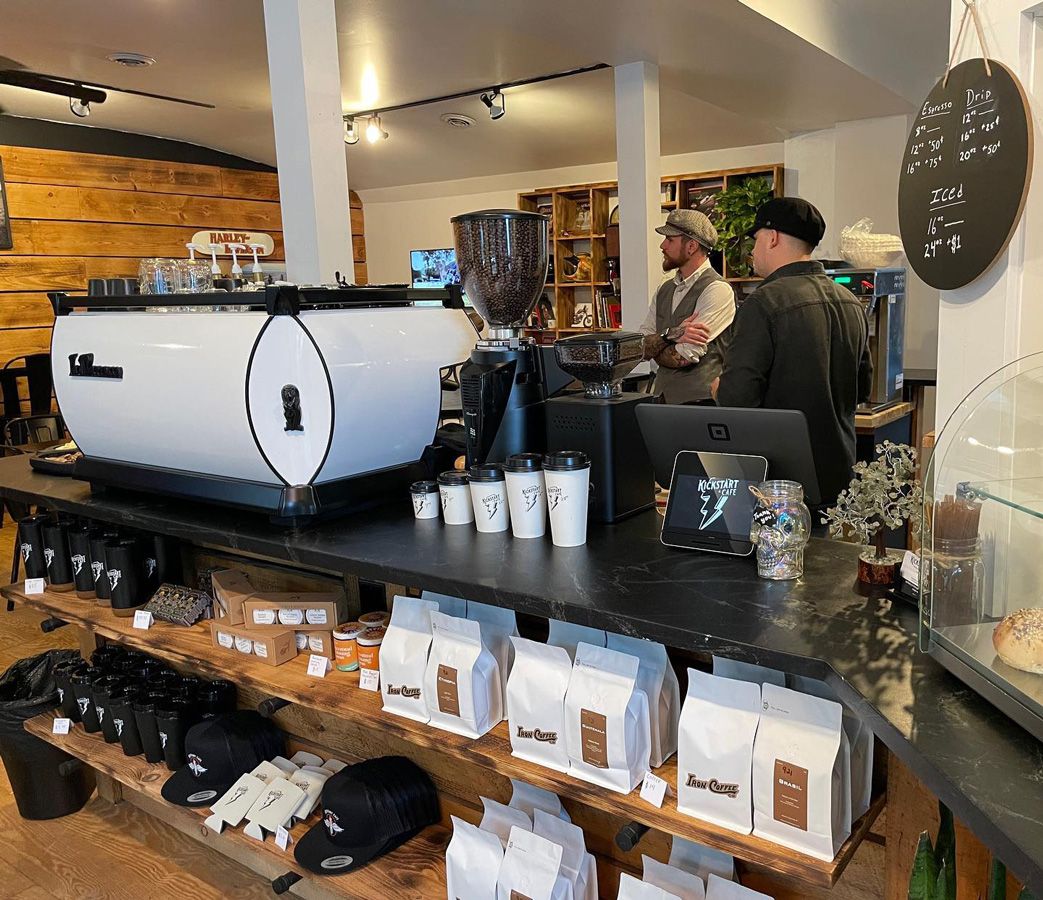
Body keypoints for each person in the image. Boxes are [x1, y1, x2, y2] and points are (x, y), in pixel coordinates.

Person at [714, 197, 872, 507]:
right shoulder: (851, 302)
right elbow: (862, 389)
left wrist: (718, 388)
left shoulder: (763, 303)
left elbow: (737, 399)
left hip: (780, 485)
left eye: (756, 239)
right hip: (839, 475)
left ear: (772, 237)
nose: (753, 250)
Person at [639, 209, 735, 404]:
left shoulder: (717, 289)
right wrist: (670, 335)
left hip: (700, 405)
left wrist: (654, 348)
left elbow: (685, 356)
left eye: (670, 240)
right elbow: (639, 346)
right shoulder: (664, 289)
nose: (662, 245)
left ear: (691, 246)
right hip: (661, 401)